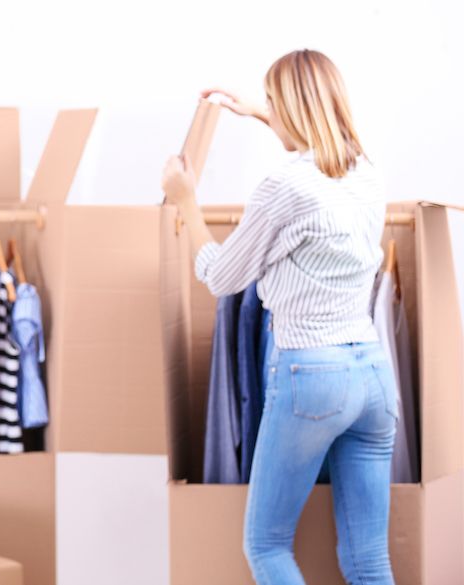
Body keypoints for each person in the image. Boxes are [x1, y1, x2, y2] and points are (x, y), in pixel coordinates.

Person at [162, 49, 396, 584]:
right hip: (374, 378)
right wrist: (262, 113)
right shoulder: (366, 169)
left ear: (289, 107)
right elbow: (320, 140)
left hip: (312, 377)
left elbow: (222, 278)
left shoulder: (282, 188)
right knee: (368, 560)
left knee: (266, 546)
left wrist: (186, 202)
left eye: (273, 102)